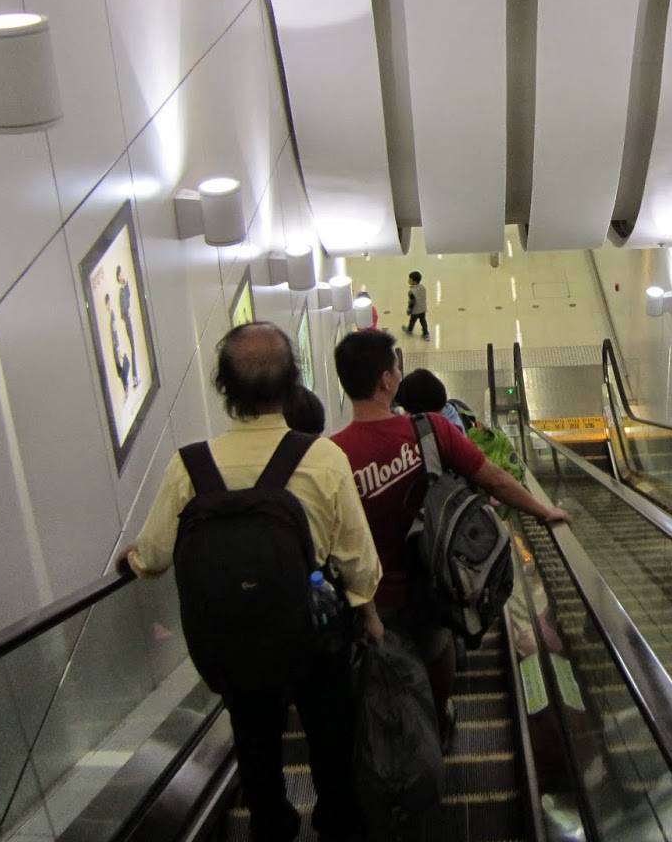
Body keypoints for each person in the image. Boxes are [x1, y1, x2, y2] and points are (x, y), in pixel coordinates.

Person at [119, 322, 383, 842]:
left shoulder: (189, 466)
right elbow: (358, 559)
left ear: (224, 386)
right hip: (313, 636)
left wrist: (132, 560)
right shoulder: (323, 458)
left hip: (232, 641)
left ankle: (272, 824)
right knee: (331, 739)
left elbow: (152, 557)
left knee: (255, 741)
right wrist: (368, 614)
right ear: (292, 382)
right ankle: (337, 823)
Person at [331, 329, 569, 750]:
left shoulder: (333, 455)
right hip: (431, 582)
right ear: (386, 380)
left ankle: (396, 739)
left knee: (382, 670)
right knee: (437, 648)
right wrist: (541, 510)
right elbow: (493, 478)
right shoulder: (430, 430)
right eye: (396, 368)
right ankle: (440, 716)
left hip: (368, 596)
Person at [116, 265, 140, 387]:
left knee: (133, 348)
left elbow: (129, 294)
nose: (123, 275)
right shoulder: (121, 292)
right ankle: (135, 377)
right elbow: (124, 309)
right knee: (133, 349)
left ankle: (135, 376)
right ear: (119, 277)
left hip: (128, 319)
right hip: (127, 320)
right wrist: (127, 314)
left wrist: (126, 283)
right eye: (121, 274)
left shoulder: (124, 289)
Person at [404, 270, 429, 339]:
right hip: (423, 309)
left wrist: (409, 311)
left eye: (410, 279)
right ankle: (426, 333)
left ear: (414, 282)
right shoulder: (423, 287)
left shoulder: (411, 292)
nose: (408, 280)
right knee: (423, 321)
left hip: (415, 311)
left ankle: (409, 330)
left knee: (412, 321)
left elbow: (411, 303)